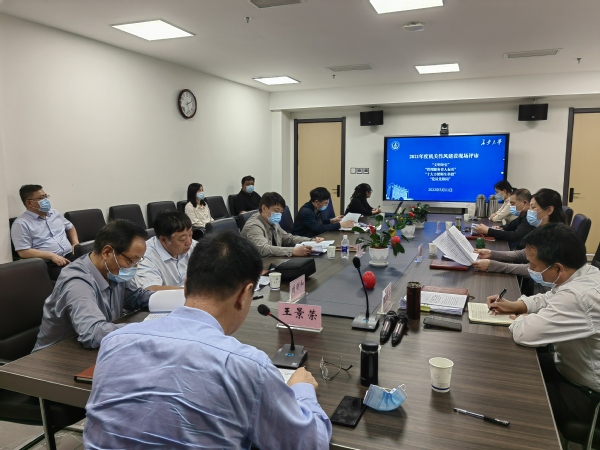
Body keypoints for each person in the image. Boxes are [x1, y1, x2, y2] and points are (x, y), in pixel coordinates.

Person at [83, 232, 332, 449]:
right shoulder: (247, 366)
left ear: (186, 285)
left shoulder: (114, 342)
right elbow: (310, 443)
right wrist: (302, 389)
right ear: (245, 294)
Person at [487, 223, 600, 437]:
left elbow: (525, 334)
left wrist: (520, 319)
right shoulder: (586, 273)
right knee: (507, 369)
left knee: (507, 393)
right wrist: (518, 305)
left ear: (558, 268)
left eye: (534, 265)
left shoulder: (579, 296)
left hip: (588, 394)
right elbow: (550, 297)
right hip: (569, 367)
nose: (530, 269)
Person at [32, 219, 153, 352]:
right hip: (54, 357)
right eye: (131, 261)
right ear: (107, 252)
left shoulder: (112, 271)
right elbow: (93, 333)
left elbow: (137, 297)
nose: (134, 267)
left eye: (137, 262)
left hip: (90, 351)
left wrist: (170, 299)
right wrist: (146, 328)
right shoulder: (76, 282)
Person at [472, 188, 567, 295]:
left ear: (549, 210)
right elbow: (524, 254)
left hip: (544, 292)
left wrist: (494, 265)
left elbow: (536, 270)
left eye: (533, 207)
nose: (529, 211)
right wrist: (491, 253)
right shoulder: (542, 230)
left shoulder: (556, 237)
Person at [11, 184, 80, 280]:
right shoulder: (21, 224)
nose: (46, 200)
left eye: (46, 196)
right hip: (51, 264)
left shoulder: (54, 213)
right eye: (41, 198)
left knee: (96, 268)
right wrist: (51, 255)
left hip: (71, 256)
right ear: (29, 203)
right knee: (79, 278)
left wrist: (75, 243)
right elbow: (23, 251)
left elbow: (70, 227)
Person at [242, 192, 322, 257]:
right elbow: (263, 249)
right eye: (276, 210)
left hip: (272, 260)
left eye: (281, 212)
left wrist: (310, 240)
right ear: (264, 208)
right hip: (254, 266)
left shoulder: (272, 221)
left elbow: (287, 238)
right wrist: (292, 251)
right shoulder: (253, 225)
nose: (279, 215)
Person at [132, 210, 196, 290]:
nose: (189, 242)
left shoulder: (193, 245)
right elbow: (151, 289)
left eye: (190, 235)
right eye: (182, 239)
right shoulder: (145, 256)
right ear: (164, 240)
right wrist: (192, 291)